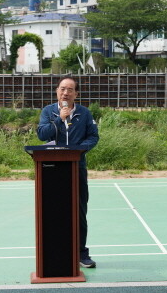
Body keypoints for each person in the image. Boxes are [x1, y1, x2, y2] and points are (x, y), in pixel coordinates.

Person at [37, 76, 99, 268]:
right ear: (57, 91)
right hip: (52, 169)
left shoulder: (84, 113)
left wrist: (78, 151)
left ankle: (81, 253)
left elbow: (93, 137)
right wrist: (59, 119)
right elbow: (42, 134)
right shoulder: (48, 112)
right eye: (62, 89)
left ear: (76, 94)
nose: (66, 92)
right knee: (52, 212)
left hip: (76, 167)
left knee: (79, 212)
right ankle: (54, 252)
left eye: (70, 89)